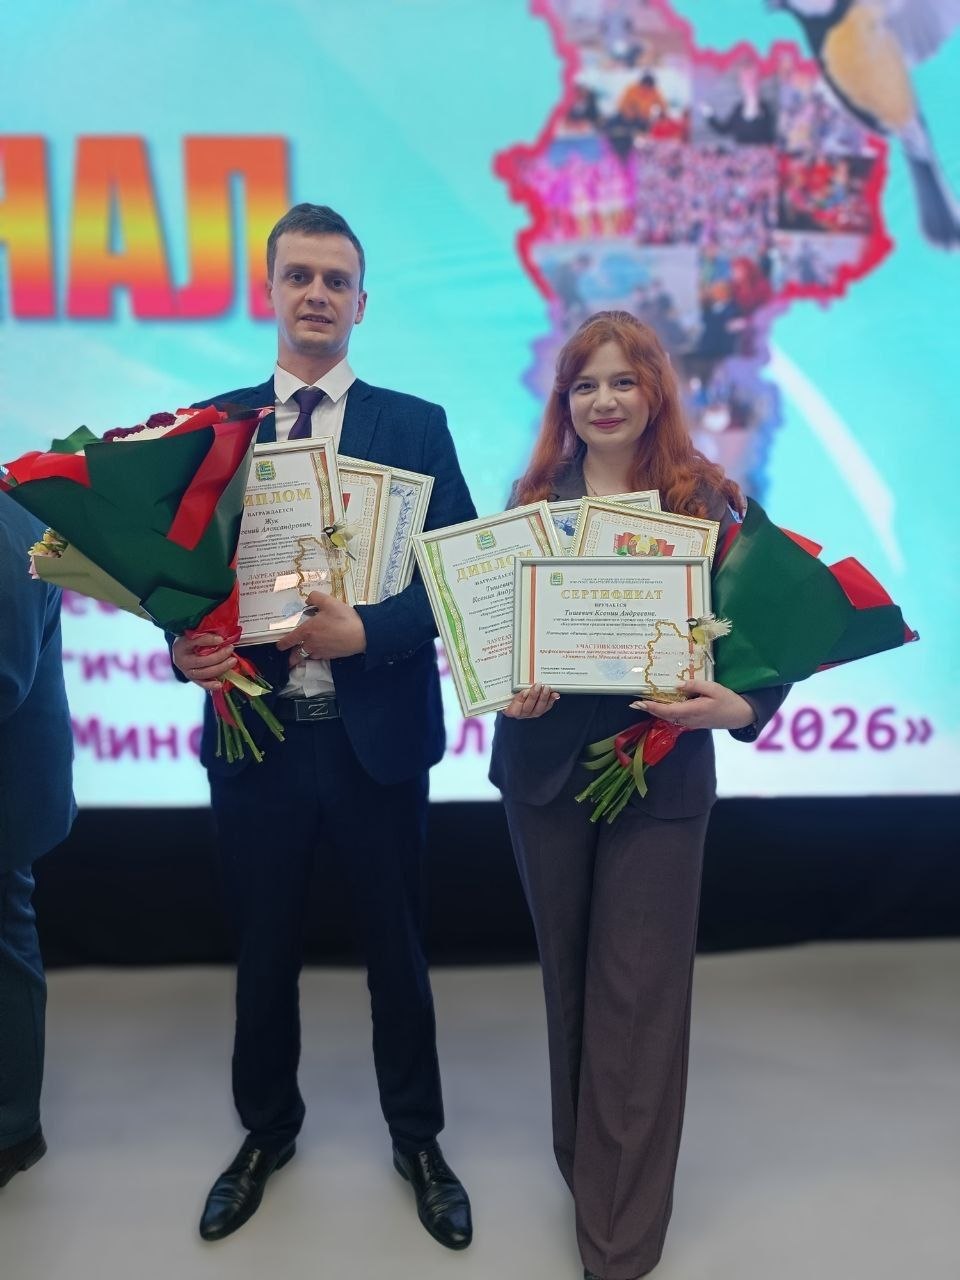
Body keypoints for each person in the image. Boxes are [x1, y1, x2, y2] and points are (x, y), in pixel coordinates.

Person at [171, 204, 476, 1247]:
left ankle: (418, 1140)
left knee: (398, 952)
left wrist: (369, 632)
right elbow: (183, 579)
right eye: (298, 275)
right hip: (256, 738)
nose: (316, 294)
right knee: (262, 952)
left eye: (335, 280)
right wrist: (184, 647)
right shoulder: (215, 426)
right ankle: (266, 1133)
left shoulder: (416, 426)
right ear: (269, 291)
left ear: (361, 303)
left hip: (374, 740)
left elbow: (456, 579)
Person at [489, 311, 788, 1280]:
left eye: (623, 380)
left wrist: (740, 704)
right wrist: (508, 682)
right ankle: (592, 1174)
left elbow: (778, 628)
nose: (604, 399)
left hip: (661, 775)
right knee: (572, 987)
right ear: (564, 401)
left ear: (656, 389)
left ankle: (617, 1242)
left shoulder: (709, 502)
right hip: (542, 774)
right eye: (585, 384)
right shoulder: (531, 502)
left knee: (639, 995)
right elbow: (493, 638)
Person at [0, 491, 76, 1188]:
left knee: (4, 943)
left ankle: (12, 1130)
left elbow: (4, 678)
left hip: (8, 791)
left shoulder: (3, 523)